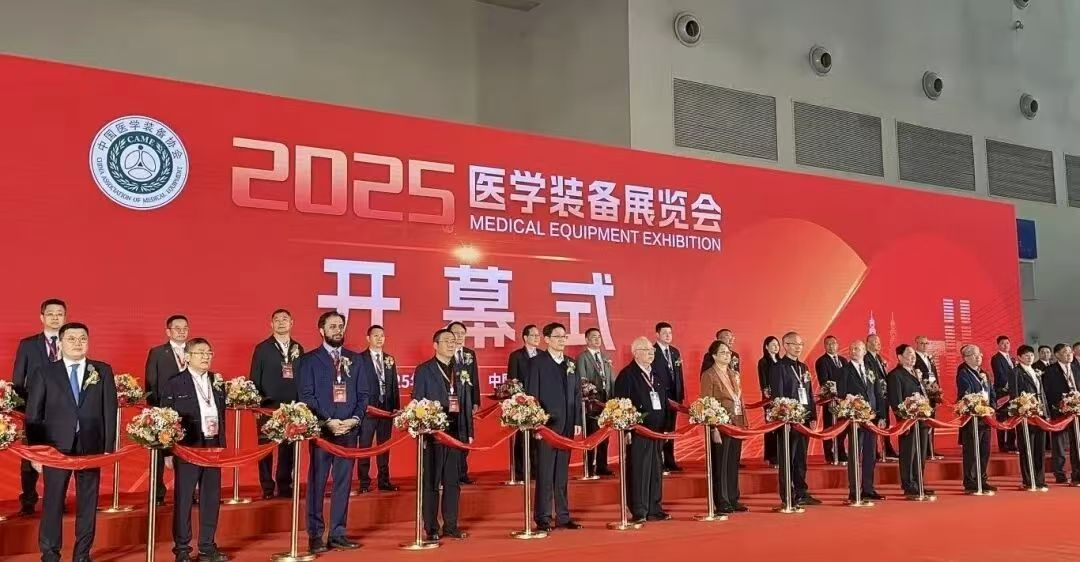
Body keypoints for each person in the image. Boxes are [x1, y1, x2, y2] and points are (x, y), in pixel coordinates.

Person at [25, 322, 116, 562]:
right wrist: (36, 452)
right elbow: (33, 415)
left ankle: (82, 554)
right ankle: (50, 554)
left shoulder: (102, 371)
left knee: (88, 504)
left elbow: (110, 410)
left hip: (91, 447)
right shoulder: (44, 372)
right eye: (72, 338)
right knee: (53, 502)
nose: (78, 343)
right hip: (55, 448)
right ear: (61, 343)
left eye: (82, 338)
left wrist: (108, 449)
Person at [299, 311, 367, 553]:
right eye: (332, 326)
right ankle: (315, 535)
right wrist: (328, 420)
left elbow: (363, 395)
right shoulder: (309, 360)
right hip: (323, 431)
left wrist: (354, 419)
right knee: (317, 483)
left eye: (341, 326)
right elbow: (307, 395)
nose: (338, 330)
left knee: (343, 483)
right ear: (322, 330)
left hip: (348, 430)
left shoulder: (355, 359)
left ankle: (338, 533)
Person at [162, 338, 229, 562]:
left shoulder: (217, 381)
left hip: (213, 446)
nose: (206, 356)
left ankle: (207, 547)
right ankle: (182, 550)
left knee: (211, 498)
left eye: (209, 352)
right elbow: (166, 418)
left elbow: (221, 414)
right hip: (187, 447)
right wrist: (167, 452)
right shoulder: (174, 383)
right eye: (200, 352)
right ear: (187, 357)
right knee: (184, 499)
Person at [413, 328, 474, 541]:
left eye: (453, 341)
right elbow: (418, 401)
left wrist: (468, 431)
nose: (451, 344)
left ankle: (451, 525)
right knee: (431, 482)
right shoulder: (424, 370)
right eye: (446, 340)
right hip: (434, 435)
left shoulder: (461, 370)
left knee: (452, 482)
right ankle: (431, 527)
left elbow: (466, 403)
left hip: (456, 434)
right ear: (435, 345)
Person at [526, 322, 583, 531]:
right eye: (557, 336)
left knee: (561, 474)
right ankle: (542, 517)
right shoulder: (537, 363)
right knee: (545, 473)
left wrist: (577, 421)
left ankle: (563, 515)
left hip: (567, 425)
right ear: (547, 339)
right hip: (547, 426)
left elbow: (577, 394)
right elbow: (531, 395)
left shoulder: (571, 363)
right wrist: (537, 425)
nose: (561, 340)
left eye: (564, 336)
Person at [12, 298, 66, 515]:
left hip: (63, 410)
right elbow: (18, 379)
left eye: (59, 314)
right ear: (42, 317)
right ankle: (28, 500)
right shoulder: (28, 344)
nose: (55, 317)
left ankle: (57, 500)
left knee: (61, 455)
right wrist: (24, 408)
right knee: (30, 456)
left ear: (65, 317)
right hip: (34, 409)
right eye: (50, 313)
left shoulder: (71, 341)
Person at [614, 337, 670, 523]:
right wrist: (627, 431)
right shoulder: (627, 375)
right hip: (638, 431)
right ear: (636, 353)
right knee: (639, 469)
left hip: (656, 430)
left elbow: (665, 403)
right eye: (646, 350)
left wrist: (665, 428)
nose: (651, 353)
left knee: (655, 470)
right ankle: (639, 509)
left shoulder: (656, 374)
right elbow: (621, 404)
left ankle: (654, 507)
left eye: (652, 350)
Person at [250, 309, 304, 500]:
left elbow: (303, 378)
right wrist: (256, 405)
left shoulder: (298, 348)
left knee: (288, 448)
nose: (281, 322)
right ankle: (266, 487)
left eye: (285, 319)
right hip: (267, 406)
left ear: (291, 323)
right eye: (277, 319)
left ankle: (284, 484)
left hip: (292, 407)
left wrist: (301, 405)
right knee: (265, 448)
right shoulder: (262, 348)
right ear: (271, 324)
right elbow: (254, 377)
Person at [767, 331, 821, 506]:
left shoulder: (803, 367)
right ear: (785, 346)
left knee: (800, 458)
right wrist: (785, 416)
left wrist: (812, 415)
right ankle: (787, 495)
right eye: (794, 344)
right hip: (788, 421)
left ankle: (801, 492)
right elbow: (778, 396)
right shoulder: (778, 367)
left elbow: (809, 393)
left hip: (803, 420)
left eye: (800, 344)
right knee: (787, 458)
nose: (798, 347)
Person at [144, 314, 191, 505]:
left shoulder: (194, 351)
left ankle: (188, 493)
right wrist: (156, 411)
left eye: (185, 328)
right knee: (159, 453)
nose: (181, 331)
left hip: (189, 411)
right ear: (168, 331)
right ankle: (157, 494)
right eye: (177, 328)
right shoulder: (157, 353)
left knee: (188, 454)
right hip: (163, 410)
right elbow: (151, 382)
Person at [699, 340, 748, 513]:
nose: (727, 355)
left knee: (733, 463)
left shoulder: (734, 373)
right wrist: (713, 428)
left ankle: (733, 498)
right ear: (714, 356)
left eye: (728, 353)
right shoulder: (709, 375)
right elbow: (706, 403)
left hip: (736, 423)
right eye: (723, 353)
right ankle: (721, 500)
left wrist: (743, 423)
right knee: (720, 464)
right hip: (720, 425)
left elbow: (738, 399)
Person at [835, 340, 887, 501]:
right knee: (855, 455)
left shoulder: (871, 369)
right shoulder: (844, 370)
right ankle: (854, 490)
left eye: (857, 348)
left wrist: (881, 415)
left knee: (870, 454)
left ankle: (868, 488)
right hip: (855, 420)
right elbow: (842, 395)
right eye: (851, 348)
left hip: (871, 418)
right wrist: (851, 411)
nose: (853, 351)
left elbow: (878, 393)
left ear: (864, 351)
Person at [356, 325, 400, 493]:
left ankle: (384, 480)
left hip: (386, 411)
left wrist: (395, 408)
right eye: (376, 335)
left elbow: (394, 385)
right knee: (365, 447)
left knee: (384, 447)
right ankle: (364, 482)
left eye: (382, 335)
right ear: (368, 338)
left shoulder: (389, 359)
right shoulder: (360, 359)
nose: (379, 338)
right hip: (368, 411)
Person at [887, 344, 935, 498]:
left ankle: (919, 482)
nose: (913, 357)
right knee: (909, 454)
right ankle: (908, 485)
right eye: (909, 353)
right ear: (900, 357)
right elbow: (896, 401)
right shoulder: (895, 375)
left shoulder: (916, 373)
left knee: (921, 453)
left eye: (914, 354)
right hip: (907, 421)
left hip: (921, 420)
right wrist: (903, 421)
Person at [956, 344, 996, 493]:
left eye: (979, 354)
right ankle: (971, 481)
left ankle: (982, 479)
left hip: (986, 416)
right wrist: (976, 406)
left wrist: (992, 406)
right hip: (972, 418)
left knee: (984, 450)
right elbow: (966, 395)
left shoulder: (984, 372)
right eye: (974, 354)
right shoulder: (963, 373)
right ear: (966, 358)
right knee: (972, 451)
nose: (979, 357)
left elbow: (991, 392)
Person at [577, 327, 614, 476]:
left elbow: (610, 379)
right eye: (594, 337)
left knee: (605, 435)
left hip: (606, 401)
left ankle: (602, 466)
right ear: (587, 340)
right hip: (591, 403)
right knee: (592, 435)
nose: (598, 339)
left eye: (599, 336)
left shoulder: (605, 357)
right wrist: (589, 393)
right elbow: (582, 380)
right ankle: (589, 467)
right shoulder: (583, 357)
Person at [506, 324, 541, 481]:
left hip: (539, 402)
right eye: (533, 335)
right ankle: (520, 471)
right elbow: (512, 380)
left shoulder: (543, 355)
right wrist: (519, 400)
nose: (537, 338)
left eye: (538, 335)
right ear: (525, 337)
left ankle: (536, 470)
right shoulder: (516, 356)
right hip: (523, 402)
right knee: (521, 438)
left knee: (538, 437)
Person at [1010, 344, 1048, 490]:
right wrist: (1020, 410)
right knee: (1027, 448)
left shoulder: (1035, 371)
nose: (1030, 358)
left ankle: (1040, 479)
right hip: (1025, 415)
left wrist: (1046, 413)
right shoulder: (1016, 372)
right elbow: (1014, 394)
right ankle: (1029, 480)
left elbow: (1042, 393)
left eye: (1031, 355)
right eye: (1026, 355)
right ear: (1019, 357)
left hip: (1039, 414)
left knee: (1039, 448)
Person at [447, 321, 479, 484]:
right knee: (452, 434)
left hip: (467, 400)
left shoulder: (469, 354)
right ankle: (451, 472)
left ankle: (462, 472)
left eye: (462, 333)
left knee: (466, 434)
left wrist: (475, 401)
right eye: (456, 333)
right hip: (451, 400)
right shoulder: (446, 352)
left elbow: (475, 378)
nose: (459, 336)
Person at [1044, 343, 1079, 484]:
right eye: (1065, 352)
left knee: (1077, 442)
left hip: (1077, 412)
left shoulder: (1076, 368)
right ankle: (1059, 473)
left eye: (1070, 352)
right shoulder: (1050, 371)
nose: (1069, 354)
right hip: (1059, 411)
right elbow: (1048, 392)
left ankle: (1077, 473)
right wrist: (1058, 405)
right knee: (1059, 444)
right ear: (1057, 355)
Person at [651, 322, 684, 472]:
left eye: (670, 333)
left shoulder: (675, 352)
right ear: (657, 334)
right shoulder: (652, 352)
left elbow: (679, 375)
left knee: (671, 430)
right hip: (659, 398)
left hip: (674, 398)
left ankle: (670, 460)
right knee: (660, 429)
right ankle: (659, 461)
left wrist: (680, 395)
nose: (668, 336)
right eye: (664, 333)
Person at [815, 335, 848, 463]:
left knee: (842, 426)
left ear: (837, 345)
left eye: (833, 343)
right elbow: (824, 381)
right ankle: (829, 453)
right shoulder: (821, 361)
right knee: (829, 426)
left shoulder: (843, 360)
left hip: (843, 400)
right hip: (830, 400)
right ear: (824, 346)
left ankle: (841, 451)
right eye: (828, 343)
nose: (831, 346)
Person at [866, 334, 898, 460]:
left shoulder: (878, 357)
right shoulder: (866, 358)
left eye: (879, 342)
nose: (878, 344)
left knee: (885, 422)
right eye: (875, 342)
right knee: (874, 424)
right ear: (868, 344)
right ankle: (874, 452)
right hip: (874, 397)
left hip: (883, 396)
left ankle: (887, 449)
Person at [913, 336, 942, 459]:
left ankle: (930, 449)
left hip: (932, 394)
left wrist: (937, 391)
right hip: (921, 394)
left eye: (926, 343)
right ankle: (922, 450)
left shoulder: (929, 358)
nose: (924, 345)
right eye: (922, 343)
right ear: (916, 343)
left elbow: (934, 375)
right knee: (923, 423)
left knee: (931, 422)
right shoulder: (914, 357)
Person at [990, 336, 1017, 453]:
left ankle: (1011, 444)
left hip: (1013, 392)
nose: (1005, 345)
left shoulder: (1011, 358)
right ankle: (1002, 445)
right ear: (998, 345)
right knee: (1001, 418)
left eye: (1007, 343)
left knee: (1012, 417)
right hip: (1002, 391)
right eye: (1003, 343)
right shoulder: (996, 358)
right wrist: (1008, 385)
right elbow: (1000, 374)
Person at [757, 336, 780, 467]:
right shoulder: (763, 362)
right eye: (773, 344)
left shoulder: (781, 361)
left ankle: (780, 454)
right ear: (766, 346)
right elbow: (763, 381)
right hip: (769, 398)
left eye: (777, 345)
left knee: (780, 426)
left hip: (781, 398)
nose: (776, 347)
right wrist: (767, 393)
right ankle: (772, 456)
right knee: (771, 427)